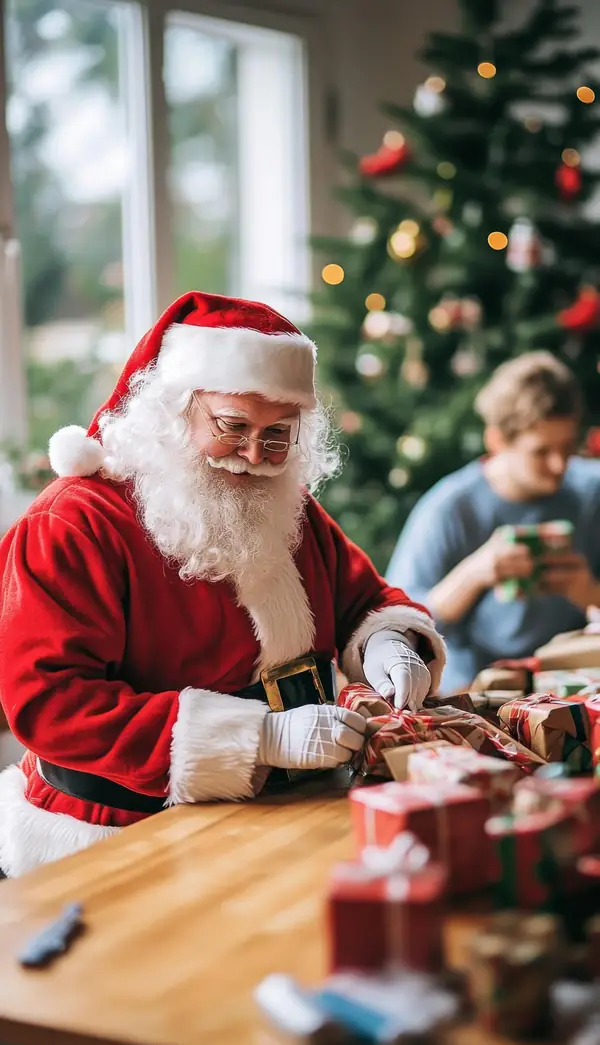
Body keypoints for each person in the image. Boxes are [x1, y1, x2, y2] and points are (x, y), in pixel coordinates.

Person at [0, 291, 444, 878]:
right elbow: (51, 702)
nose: (254, 456)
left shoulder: (289, 507)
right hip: (112, 836)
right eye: (233, 426)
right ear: (174, 409)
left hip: (272, 819)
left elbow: (365, 598)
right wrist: (259, 738)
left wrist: (391, 642)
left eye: (278, 435)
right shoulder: (75, 523)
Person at [386, 351, 600, 695]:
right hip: (477, 688)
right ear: (497, 441)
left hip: (575, 676)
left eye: (567, 446)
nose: (560, 465)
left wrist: (588, 592)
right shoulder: (450, 507)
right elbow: (392, 620)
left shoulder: (591, 491)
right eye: (541, 452)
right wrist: (473, 575)